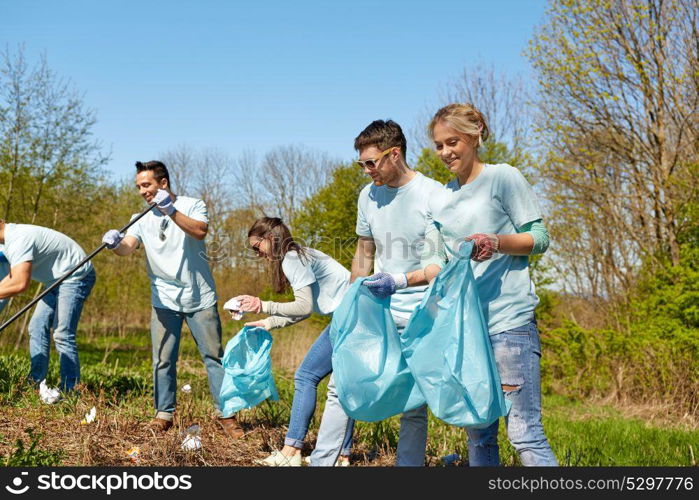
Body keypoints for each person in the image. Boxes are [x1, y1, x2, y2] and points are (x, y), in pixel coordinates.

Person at [369, 103, 557, 466]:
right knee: (479, 436)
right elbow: (434, 263)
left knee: (524, 434)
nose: (444, 153)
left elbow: (540, 237)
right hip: (467, 332)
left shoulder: (503, 178)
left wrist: (496, 241)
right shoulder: (444, 197)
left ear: (476, 135)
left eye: (451, 142)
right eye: (438, 145)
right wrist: (397, 280)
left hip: (508, 326)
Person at [101, 161, 242, 438]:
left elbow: (200, 231)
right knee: (163, 359)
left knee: (214, 357)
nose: (142, 191)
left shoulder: (192, 205)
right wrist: (116, 244)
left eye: (147, 185)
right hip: (164, 299)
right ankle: (163, 413)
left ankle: (227, 415)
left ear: (163, 183)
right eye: (139, 186)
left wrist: (171, 211)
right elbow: (128, 248)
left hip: (199, 297)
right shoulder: (139, 217)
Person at [335, 119, 444, 466]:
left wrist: (397, 280)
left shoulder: (433, 194)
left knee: (413, 404)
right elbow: (364, 253)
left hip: (420, 314)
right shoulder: (368, 196)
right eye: (361, 164)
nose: (366, 171)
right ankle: (326, 461)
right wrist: (351, 301)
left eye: (371, 162)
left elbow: (437, 266)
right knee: (343, 385)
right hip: (378, 309)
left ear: (394, 154)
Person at [230, 217, 354, 467]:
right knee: (344, 385)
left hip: (349, 319)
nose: (258, 254)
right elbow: (303, 310)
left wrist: (261, 305)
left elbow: (304, 305)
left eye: (257, 247)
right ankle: (342, 454)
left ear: (271, 239)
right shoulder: (301, 254)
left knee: (306, 376)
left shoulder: (293, 259)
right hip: (355, 316)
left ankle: (291, 451)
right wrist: (269, 322)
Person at [0, 220, 96, 392]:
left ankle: (71, 390)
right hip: (56, 279)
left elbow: (20, 283)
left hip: (76, 275)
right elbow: (10, 278)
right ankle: (35, 384)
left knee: (62, 333)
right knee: (36, 326)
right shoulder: (7, 242)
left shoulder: (18, 239)